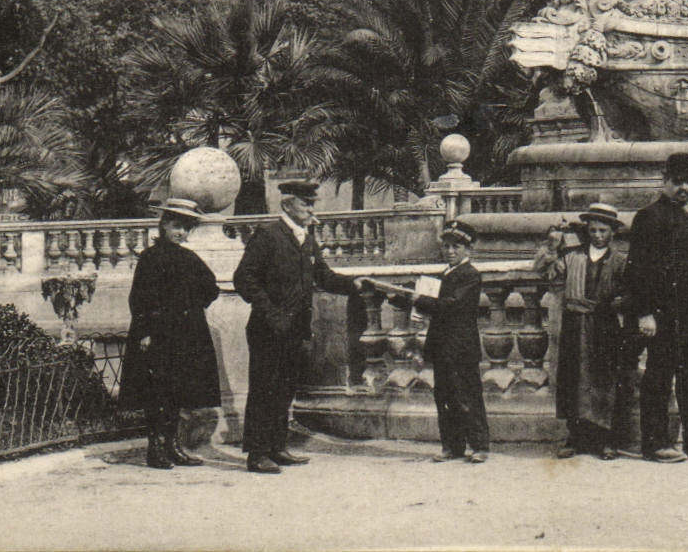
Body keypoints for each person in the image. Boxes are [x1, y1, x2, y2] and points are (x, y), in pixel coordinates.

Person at [233, 180, 371, 474]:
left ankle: (276, 447)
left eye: (312, 203)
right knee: (264, 390)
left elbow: (324, 276)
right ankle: (257, 454)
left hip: (295, 329)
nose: (311, 209)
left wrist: (354, 284)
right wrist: (272, 313)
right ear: (287, 205)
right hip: (268, 329)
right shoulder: (268, 235)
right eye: (305, 203)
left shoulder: (306, 239)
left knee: (285, 389)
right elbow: (244, 279)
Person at [622, 152, 688, 463]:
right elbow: (637, 270)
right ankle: (655, 444)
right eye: (678, 181)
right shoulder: (649, 217)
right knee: (658, 378)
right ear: (665, 181)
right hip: (665, 315)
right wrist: (644, 312)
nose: (685, 188)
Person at [119, 198, 221, 470]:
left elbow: (211, 288)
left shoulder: (189, 258)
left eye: (185, 228)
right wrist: (144, 332)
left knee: (178, 392)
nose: (180, 233)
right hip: (157, 335)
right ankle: (155, 449)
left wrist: (190, 308)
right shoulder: (150, 258)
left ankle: (174, 446)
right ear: (163, 225)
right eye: (176, 226)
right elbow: (139, 298)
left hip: (185, 335)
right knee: (157, 393)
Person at [533, 201, 635, 460]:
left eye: (603, 231)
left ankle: (607, 439)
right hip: (574, 323)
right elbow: (546, 273)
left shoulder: (620, 260)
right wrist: (552, 247)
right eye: (593, 230)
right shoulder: (572, 256)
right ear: (587, 231)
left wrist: (620, 302)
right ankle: (576, 437)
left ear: (613, 232)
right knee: (573, 378)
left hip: (605, 324)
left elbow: (630, 290)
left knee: (604, 379)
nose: (598, 236)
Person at [389, 220, 490, 463]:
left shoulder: (470, 275)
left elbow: (450, 305)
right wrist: (397, 297)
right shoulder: (444, 275)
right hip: (442, 346)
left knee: (467, 396)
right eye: (446, 246)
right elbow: (427, 303)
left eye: (456, 247)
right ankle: (452, 446)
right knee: (445, 397)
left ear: (468, 249)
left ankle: (479, 446)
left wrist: (418, 299)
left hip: (461, 347)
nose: (450, 251)